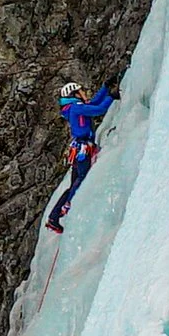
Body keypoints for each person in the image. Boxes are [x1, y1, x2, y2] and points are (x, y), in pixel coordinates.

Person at [46, 76, 117, 233]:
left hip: (79, 149)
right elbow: (98, 109)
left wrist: (105, 88)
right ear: (75, 94)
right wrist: (111, 96)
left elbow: (92, 104)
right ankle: (68, 205)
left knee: (75, 182)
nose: (84, 93)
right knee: (82, 179)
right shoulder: (77, 108)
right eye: (81, 91)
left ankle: (54, 217)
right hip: (83, 149)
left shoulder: (74, 107)